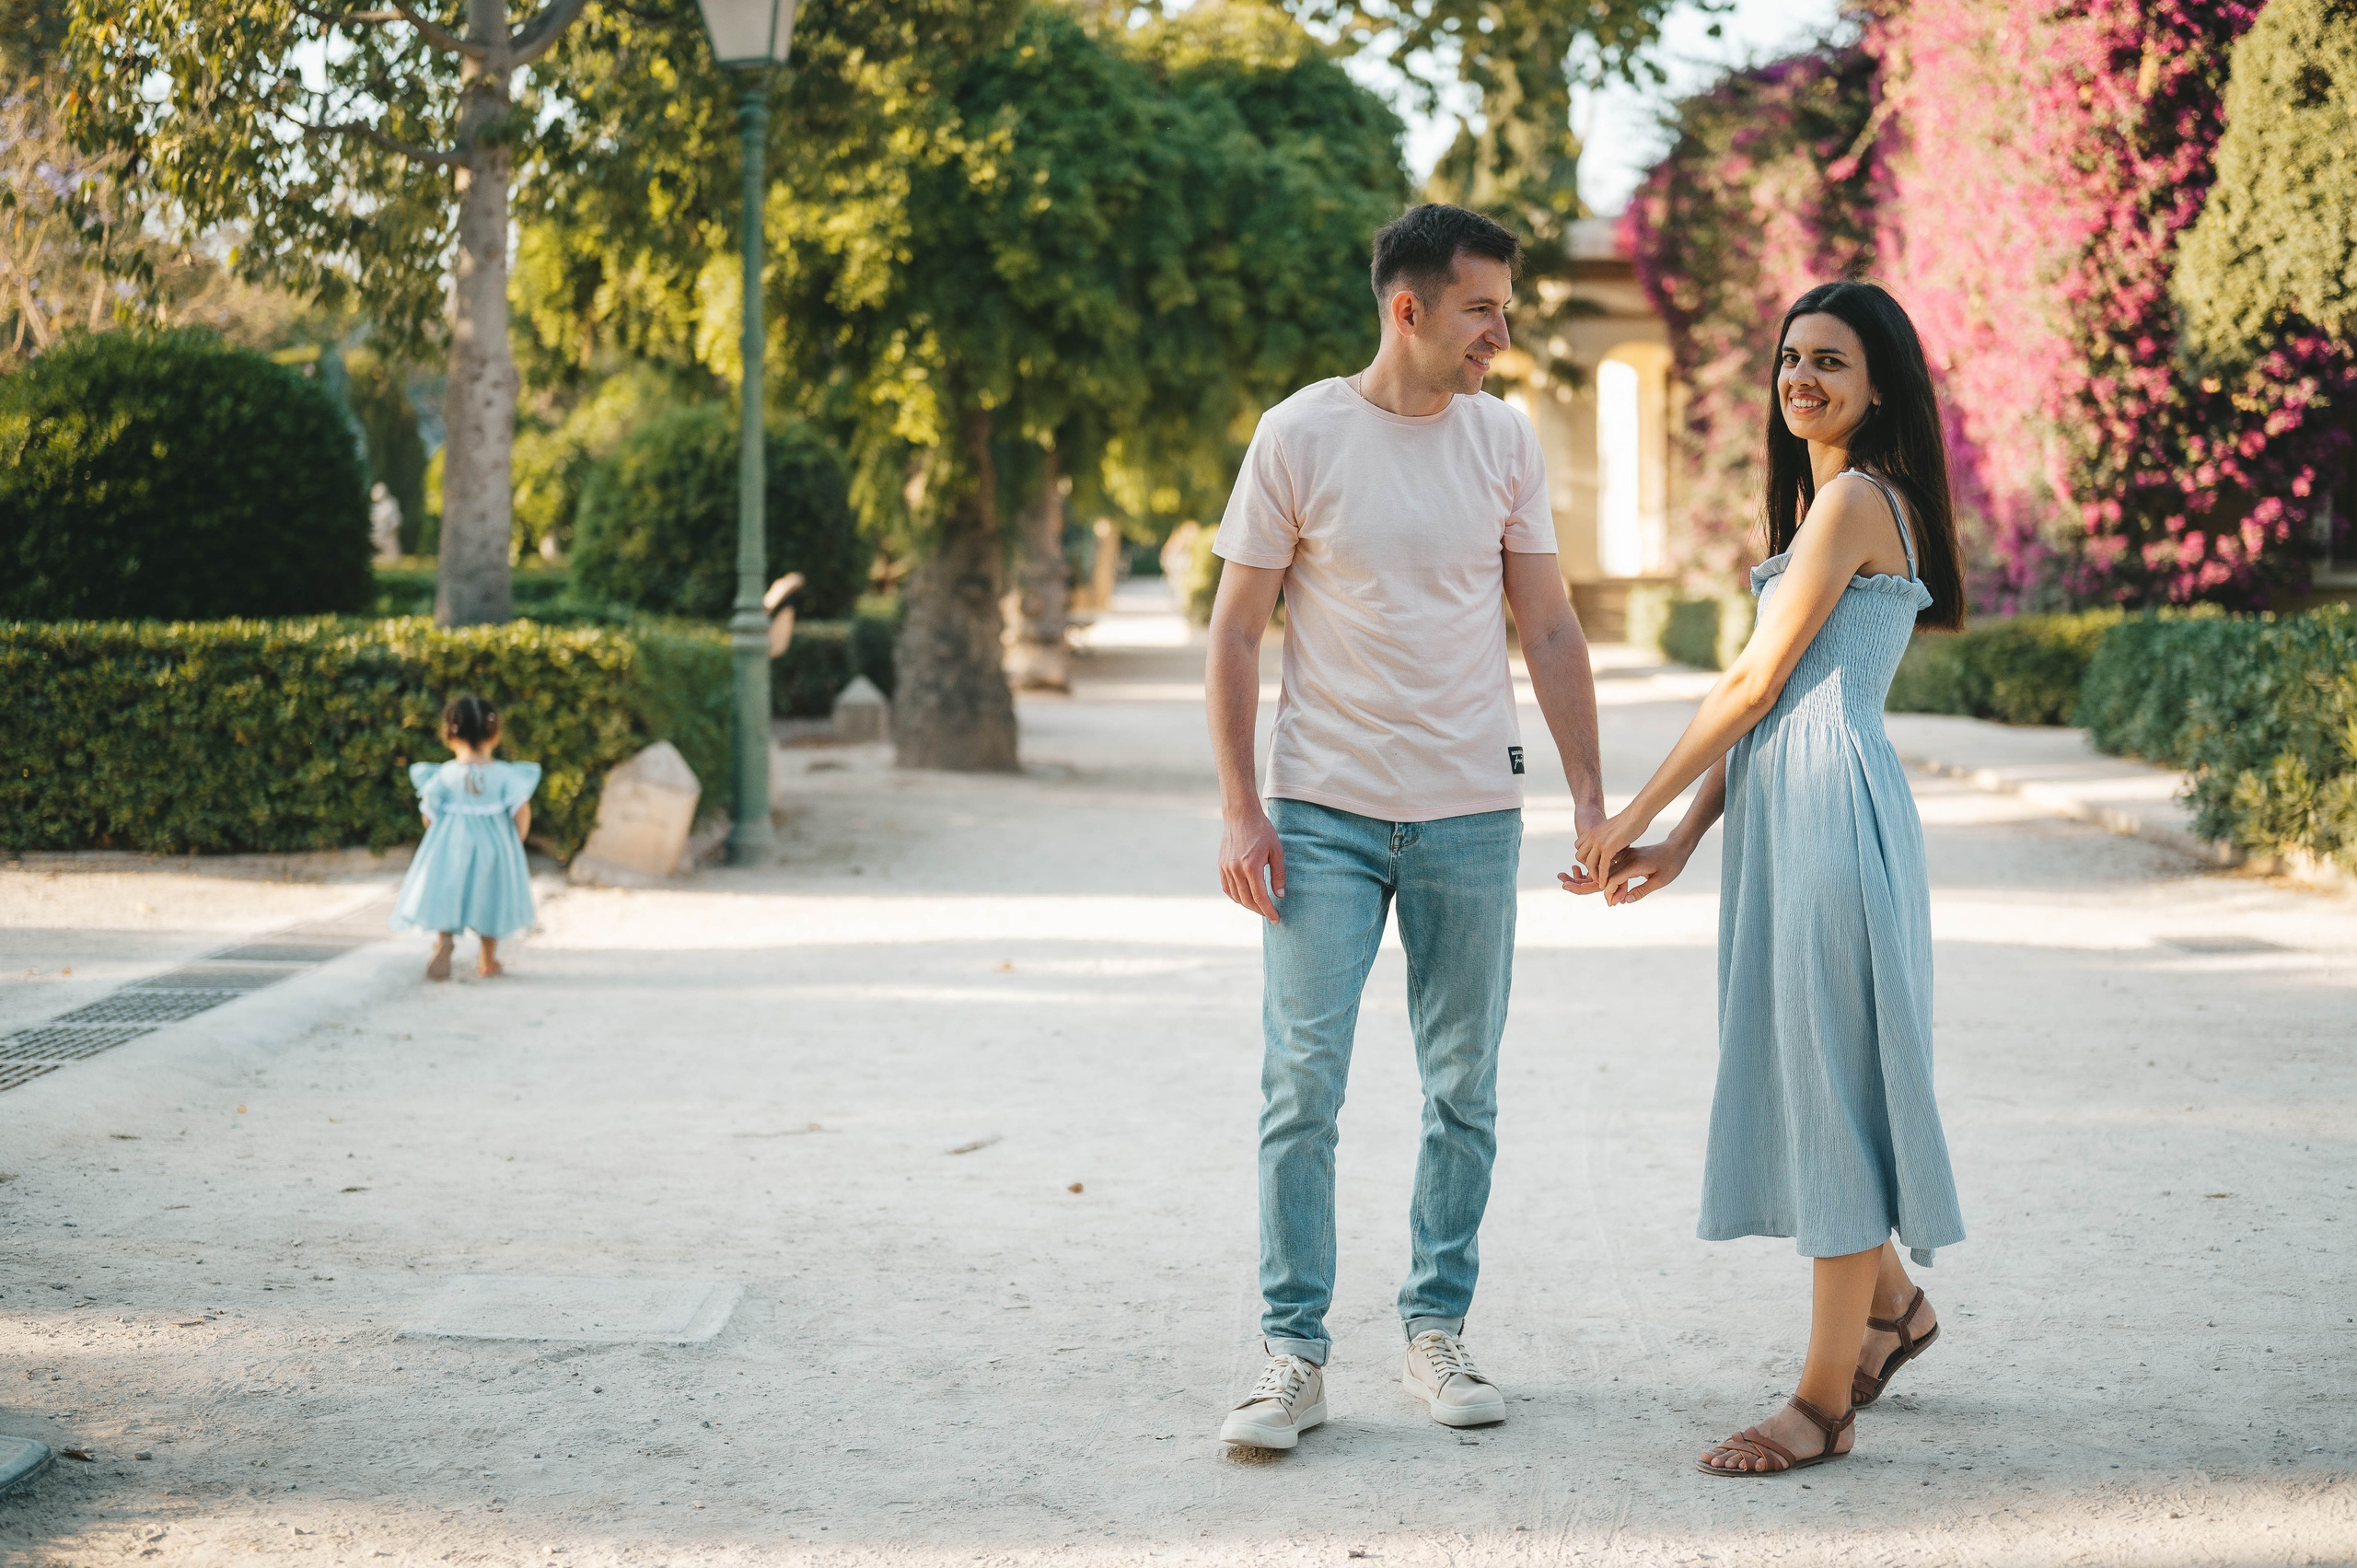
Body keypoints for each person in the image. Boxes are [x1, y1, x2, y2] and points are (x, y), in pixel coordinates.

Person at [1207, 203, 1608, 1450]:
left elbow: (1547, 625)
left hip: (1472, 817)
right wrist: (1240, 803)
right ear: (1410, 308)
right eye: (1484, 307)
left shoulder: (1503, 440)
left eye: (1504, 307)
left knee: (1461, 1088)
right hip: (1320, 813)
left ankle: (1436, 1326)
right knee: (1300, 1085)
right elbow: (1234, 630)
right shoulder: (1299, 434)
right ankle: (1292, 1355)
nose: (1502, 330)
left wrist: (1593, 795)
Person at [1567, 279, 1968, 1477]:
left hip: (1830, 812)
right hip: (1790, 807)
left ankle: (1821, 1398)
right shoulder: (1830, 503)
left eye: (1831, 360)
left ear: (1880, 381)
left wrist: (1624, 812)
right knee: (1810, 1073)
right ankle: (1893, 1311)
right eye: (1791, 357)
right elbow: (1771, 708)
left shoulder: (1852, 499)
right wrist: (1685, 839)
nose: (1802, 376)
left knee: (1833, 1089)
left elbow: (1749, 686)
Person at [391, 694, 540, 981]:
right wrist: (515, 841)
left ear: (449, 733)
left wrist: (439, 834)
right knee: (492, 898)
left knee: (449, 892)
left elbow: (429, 813)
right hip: (496, 847)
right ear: (494, 734)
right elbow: (522, 811)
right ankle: (487, 960)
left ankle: (445, 939)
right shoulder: (505, 775)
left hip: (451, 845)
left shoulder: (445, 774)